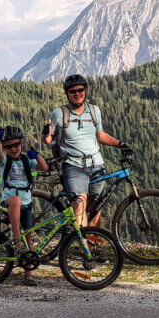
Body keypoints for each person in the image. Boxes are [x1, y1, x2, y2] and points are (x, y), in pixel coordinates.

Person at [42, 74, 128, 229]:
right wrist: (45, 134)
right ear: (67, 93)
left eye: (80, 90)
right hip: (73, 166)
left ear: (86, 90)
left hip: (97, 165)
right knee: (79, 205)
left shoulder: (95, 111)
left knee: (96, 206)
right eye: (72, 91)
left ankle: (90, 242)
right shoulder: (59, 114)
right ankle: (83, 249)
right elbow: (49, 140)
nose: (77, 94)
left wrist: (121, 144)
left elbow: (100, 135)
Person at [0, 124, 49, 286]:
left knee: (30, 240)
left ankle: (29, 273)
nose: (13, 149)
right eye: (8, 146)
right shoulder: (4, 162)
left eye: (16, 145)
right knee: (16, 201)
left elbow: (44, 167)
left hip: (27, 202)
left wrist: (37, 156)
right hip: (9, 200)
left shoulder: (27, 160)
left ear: (22, 144)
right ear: (4, 148)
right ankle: (17, 240)